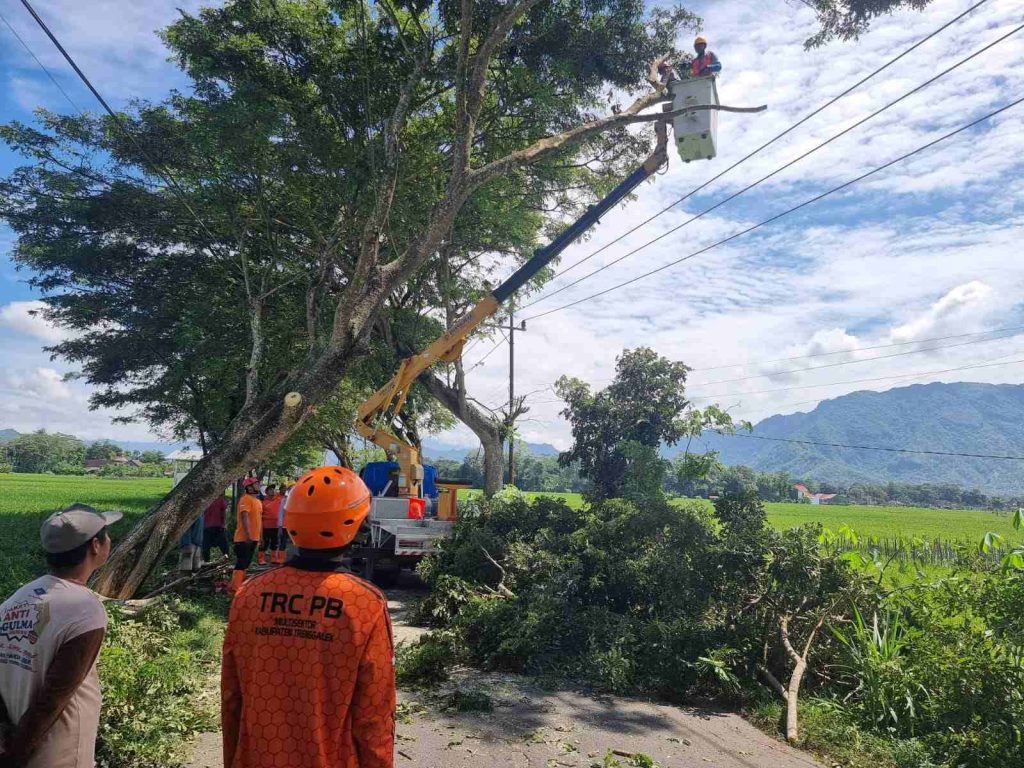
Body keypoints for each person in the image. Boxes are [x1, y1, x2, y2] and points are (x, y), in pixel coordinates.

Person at [221, 466, 395, 768]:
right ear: (356, 524)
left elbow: (231, 698)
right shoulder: (364, 605)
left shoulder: (249, 595)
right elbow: (374, 716)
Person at [0, 504, 120, 768]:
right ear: (95, 546)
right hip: (61, 754)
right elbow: (54, 697)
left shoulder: (16, 599)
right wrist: (14, 757)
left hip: (16, 743)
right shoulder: (84, 609)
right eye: (106, 535)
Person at [230, 477, 263, 594]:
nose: (259, 485)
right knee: (241, 562)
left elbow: (259, 521)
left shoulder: (258, 501)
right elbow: (244, 517)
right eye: (256, 484)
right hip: (244, 538)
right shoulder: (245, 499)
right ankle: (235, 588)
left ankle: (241, 586)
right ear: (249, 487)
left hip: (254, 538)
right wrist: (248, 535)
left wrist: (260, 537)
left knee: (246, 562)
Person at [258, 485, 283, 566]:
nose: (272, 491)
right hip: (266, 526)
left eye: (273, 489)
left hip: (276, 526)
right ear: (266, 492)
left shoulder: (279, 500)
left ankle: (274, 558)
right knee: (264, 543)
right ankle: (261, 559)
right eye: (270, 490)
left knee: (275, 542)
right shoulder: (263, 502)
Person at [202, 494, 231, 562]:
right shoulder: (205, 500)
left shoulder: (219, 499)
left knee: (225, 548)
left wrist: (223, 524)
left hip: (216, 527)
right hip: (209, 527)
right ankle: (207, 563)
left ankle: (226, 561)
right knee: (206, 549)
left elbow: (223, 513)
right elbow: (223, 513)